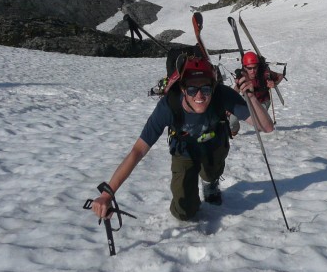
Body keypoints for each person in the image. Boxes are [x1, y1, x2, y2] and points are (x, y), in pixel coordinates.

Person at [90, 56, 274, 222]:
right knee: (184, 212)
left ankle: (210, 182)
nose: (200, 95)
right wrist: (108, 193)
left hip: (214, 146)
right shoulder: (168, 107)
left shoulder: (222, 95)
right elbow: (138, 151)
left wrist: (250, 95)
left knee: (210, 173)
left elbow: (266, 126)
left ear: (213, 86)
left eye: (206, 88)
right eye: (192, 89)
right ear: (183, 88)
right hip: (184, 150)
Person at [228, 51, 284, 136]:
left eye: (255, 67)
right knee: (232, 121)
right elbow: (237, 88)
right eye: (249, 68)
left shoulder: (265, 73)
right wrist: (229, 104)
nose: (252, 71)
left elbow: (280, 76)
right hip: (247, 101)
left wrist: (274, 83)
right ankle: (234, 132)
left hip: (263, 101)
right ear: (244, 67)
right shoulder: (242, 75)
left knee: (260, 123)